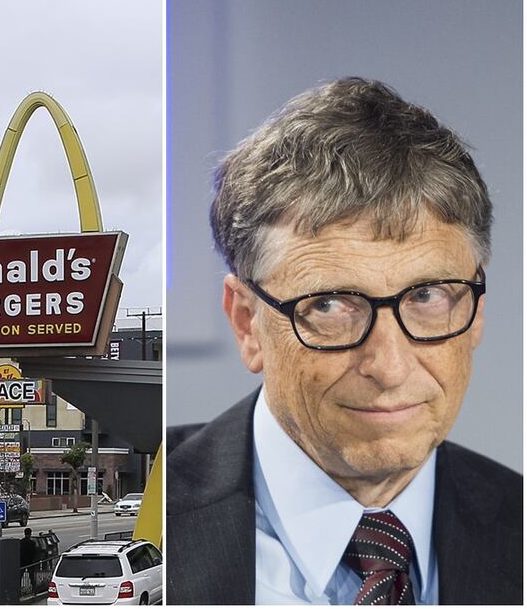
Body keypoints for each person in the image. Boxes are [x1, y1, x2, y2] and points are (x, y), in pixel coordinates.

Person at [165, 78, 522, 604]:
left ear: (477, 310)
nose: (390, 365)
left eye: (426, 295)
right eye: (329, 305)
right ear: (247, 323)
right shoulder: (147, 525)